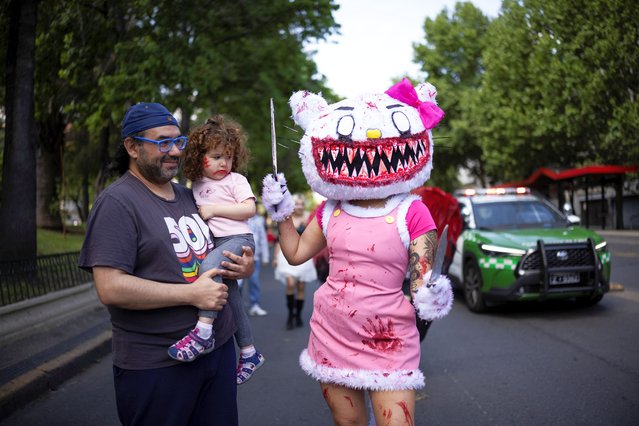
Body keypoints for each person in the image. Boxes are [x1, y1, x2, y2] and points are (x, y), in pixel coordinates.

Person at [261, 79, 453, 425]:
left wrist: (431, 294)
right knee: (348, 422)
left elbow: (422, 281)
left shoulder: (413, 211)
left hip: (390, 338)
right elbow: (295, 252)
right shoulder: (330, 209)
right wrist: (282, 213)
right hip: (333, 333)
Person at [79, 102, 254, 425]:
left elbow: (223, 252)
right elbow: (110, 287)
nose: (174, 151)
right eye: (162, 142)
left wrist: (245, 267)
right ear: (132, 147)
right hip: (158, 364)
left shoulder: (191, 197)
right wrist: (190, 295)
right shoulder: (117, 203)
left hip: (217, 354)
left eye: (178, 141)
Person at [170, 114, 265, 385]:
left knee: (208, 268)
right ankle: (249, 352)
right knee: (232, 299)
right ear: (199, 156)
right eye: (215, 156)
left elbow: (249, 209)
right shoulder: (197, 184)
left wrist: (214, 209)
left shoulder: (235, 181)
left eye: (228, 156)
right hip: (217, 243)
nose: (223, 163)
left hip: (238, 239)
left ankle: (203, 330)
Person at [272, 194, 317, 330]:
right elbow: (278, 240)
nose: (299, 206)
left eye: (301, 204)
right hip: (286, 256)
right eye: (296, 203)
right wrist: (275, 257)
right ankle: (290, 315)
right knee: (290, 283)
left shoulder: (310, 218)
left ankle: (298, 315)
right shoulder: (286, 218)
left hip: (304, 255)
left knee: (301, 286)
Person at [244, 211, 270, 316]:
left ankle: (255, 305)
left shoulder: (259, 221)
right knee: (237, 285)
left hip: (255, 257)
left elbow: (263, 239)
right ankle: (236, 308)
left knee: (254, 282)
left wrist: (265, 257)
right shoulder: (239, 217)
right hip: (240, 257)